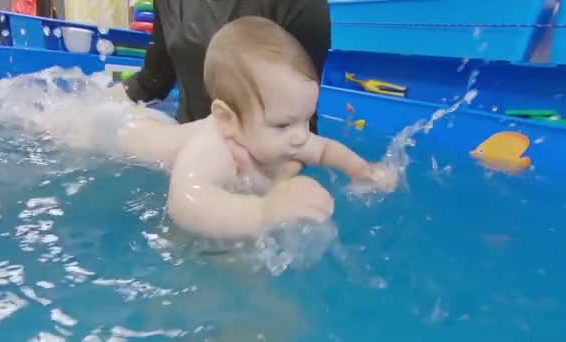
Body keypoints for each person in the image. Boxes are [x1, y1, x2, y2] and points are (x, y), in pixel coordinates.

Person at [49, 17, 399, 239]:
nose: (300, 135)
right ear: (228, 119)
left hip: (155, 126)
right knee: (56, 124)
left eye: (305, 118)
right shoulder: (212, 146)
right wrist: (264, 211)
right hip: (118, 132)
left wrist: (363, 171)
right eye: (283, 123)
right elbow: (187, 205)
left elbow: (324, 149)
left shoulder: (286, 133)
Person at [107, 0, 330, 134]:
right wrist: (87, 106)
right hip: (190, 143)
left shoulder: (299, 5)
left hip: (268, 155)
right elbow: (152, 81)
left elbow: (301, 118)